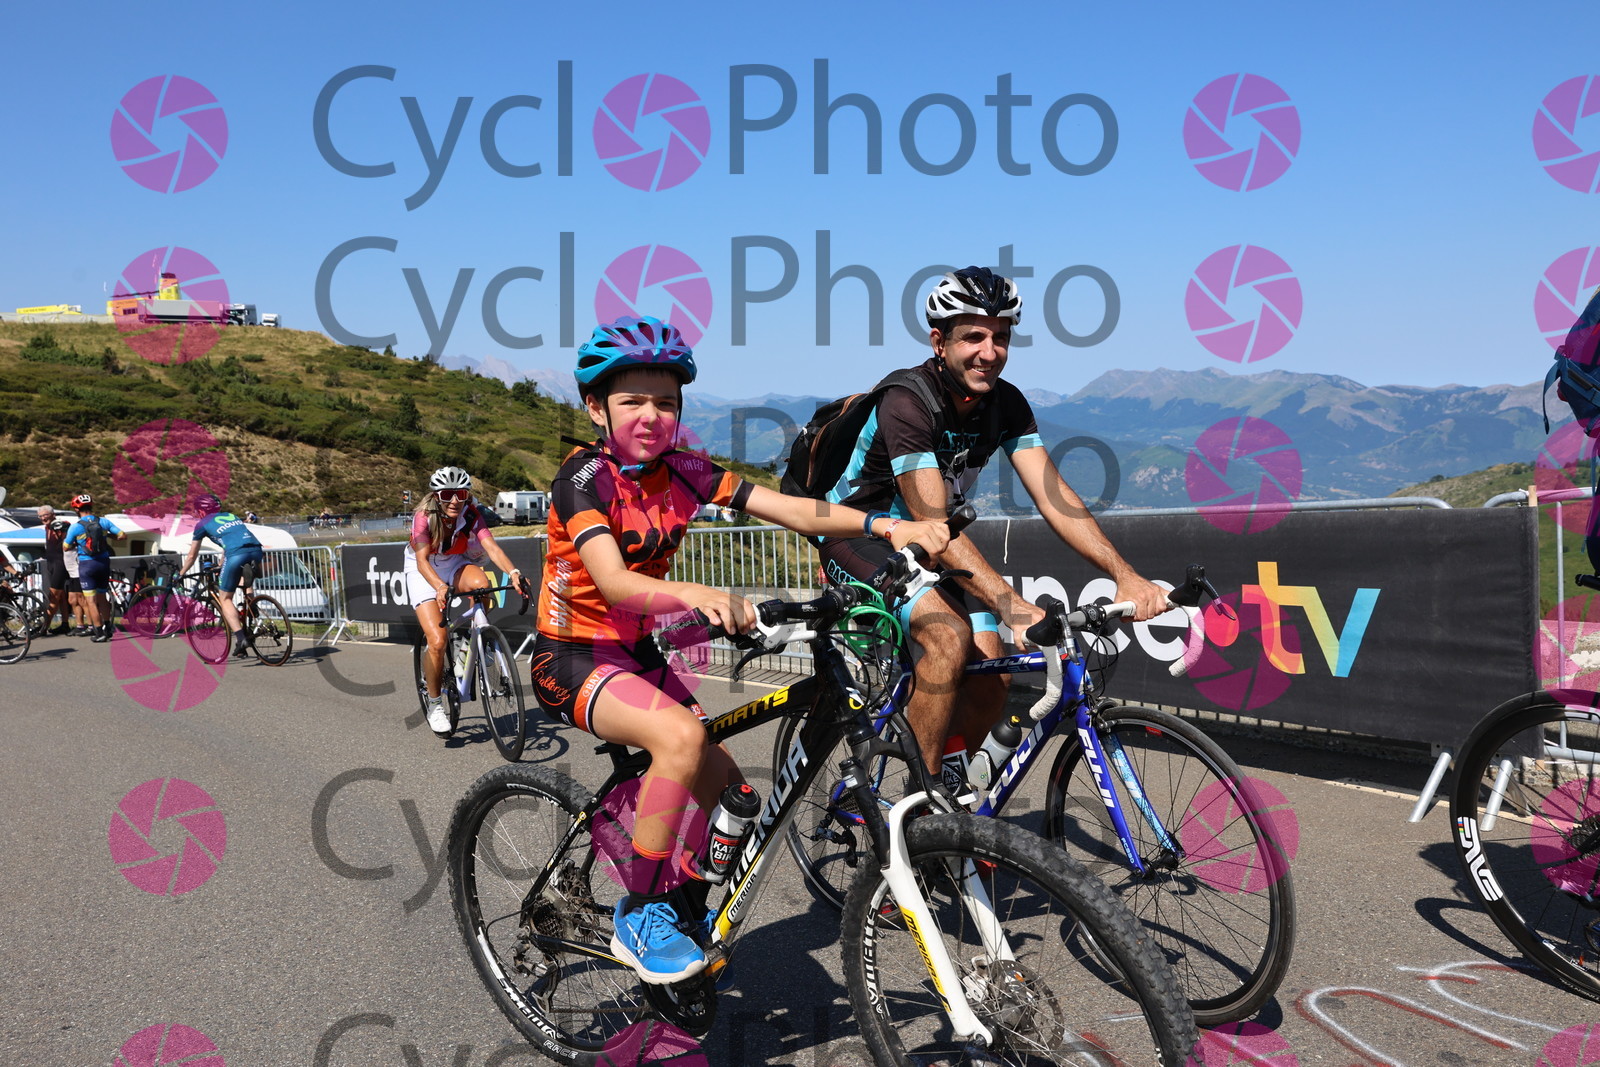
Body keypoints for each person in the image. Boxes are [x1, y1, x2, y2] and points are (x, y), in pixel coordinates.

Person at [533, 316, 949, 985]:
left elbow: (792, 510)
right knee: (679, 738)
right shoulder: (583, 479)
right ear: (596, 407)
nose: (651, 415)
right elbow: (614, 581)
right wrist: (698, 594)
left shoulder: (686, 471)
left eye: (665, 402)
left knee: (736, 798)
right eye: (632, 401)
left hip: (637, 655)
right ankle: (640, 913)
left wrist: (882, 523)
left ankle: (682, 905)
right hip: (571, 657)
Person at [814, 266, 1168, 777]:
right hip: (860, 535)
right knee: (948, 639)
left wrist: (1123, 573)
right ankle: (923, 807)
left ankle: (951, 786)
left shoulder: (1007, 403)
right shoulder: (907, 402)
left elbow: (1056, 499)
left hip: (931, 546)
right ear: (939, 342)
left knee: (991, 674)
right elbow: (931, 520)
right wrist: (1012, 605)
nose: (990, 351)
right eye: (973, 337)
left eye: (1001, 337)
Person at [405, 466, 527, 736]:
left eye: (460, 494)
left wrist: (514, 573)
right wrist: (439, 586)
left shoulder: (471, 514)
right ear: (436, 496)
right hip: (423, 569)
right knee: (437, 641)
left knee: (483, 587)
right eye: (447, 494)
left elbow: (491, 548)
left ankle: (473, 645)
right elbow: (422, 561)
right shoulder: (424, 516)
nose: (454, 501)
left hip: (454, 563)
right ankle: (435, 704)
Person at [182, 495, 266, 660]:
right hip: (256, 550)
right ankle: (252, 605)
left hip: (235, 554)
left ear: (201, 511)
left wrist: (181, 573)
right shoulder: (231, 516)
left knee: (225, 598)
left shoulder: (201, 524)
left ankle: (241, 639)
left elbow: (192, 556)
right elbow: (229, 543)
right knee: (244, 579)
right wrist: (221, 564)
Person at [64, 493, 126, 643]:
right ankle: (108, 627)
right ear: (91, 506)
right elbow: (123, 535)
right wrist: (108, 536)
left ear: (77, 509)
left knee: (91, 601)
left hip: (87, 565)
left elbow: (65, 547)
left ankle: (99, 632)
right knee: (102, 597)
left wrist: (77, 543)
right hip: (103, 563)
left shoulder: (76, 527)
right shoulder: (103, 522)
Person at [36, 505, 71, 635]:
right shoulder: (47, 527)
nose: (43, 518)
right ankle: (65, 624)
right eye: (40, 516)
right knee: (61, 596)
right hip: (51, 563)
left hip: (60, 564)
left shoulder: (60, 525)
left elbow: (68, 535)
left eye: (45, 515)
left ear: (53, 514)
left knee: (53, 597)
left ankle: (44, 627)